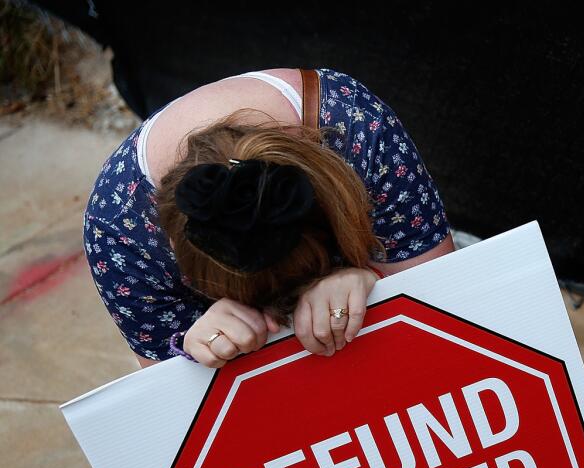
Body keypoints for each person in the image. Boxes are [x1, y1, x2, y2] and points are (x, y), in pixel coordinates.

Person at [83, 68, 454, 368]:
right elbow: (167, 403)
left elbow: (447, 301)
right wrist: (190, 344)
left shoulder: (355, 125)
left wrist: (370, 278)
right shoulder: (120, 232)